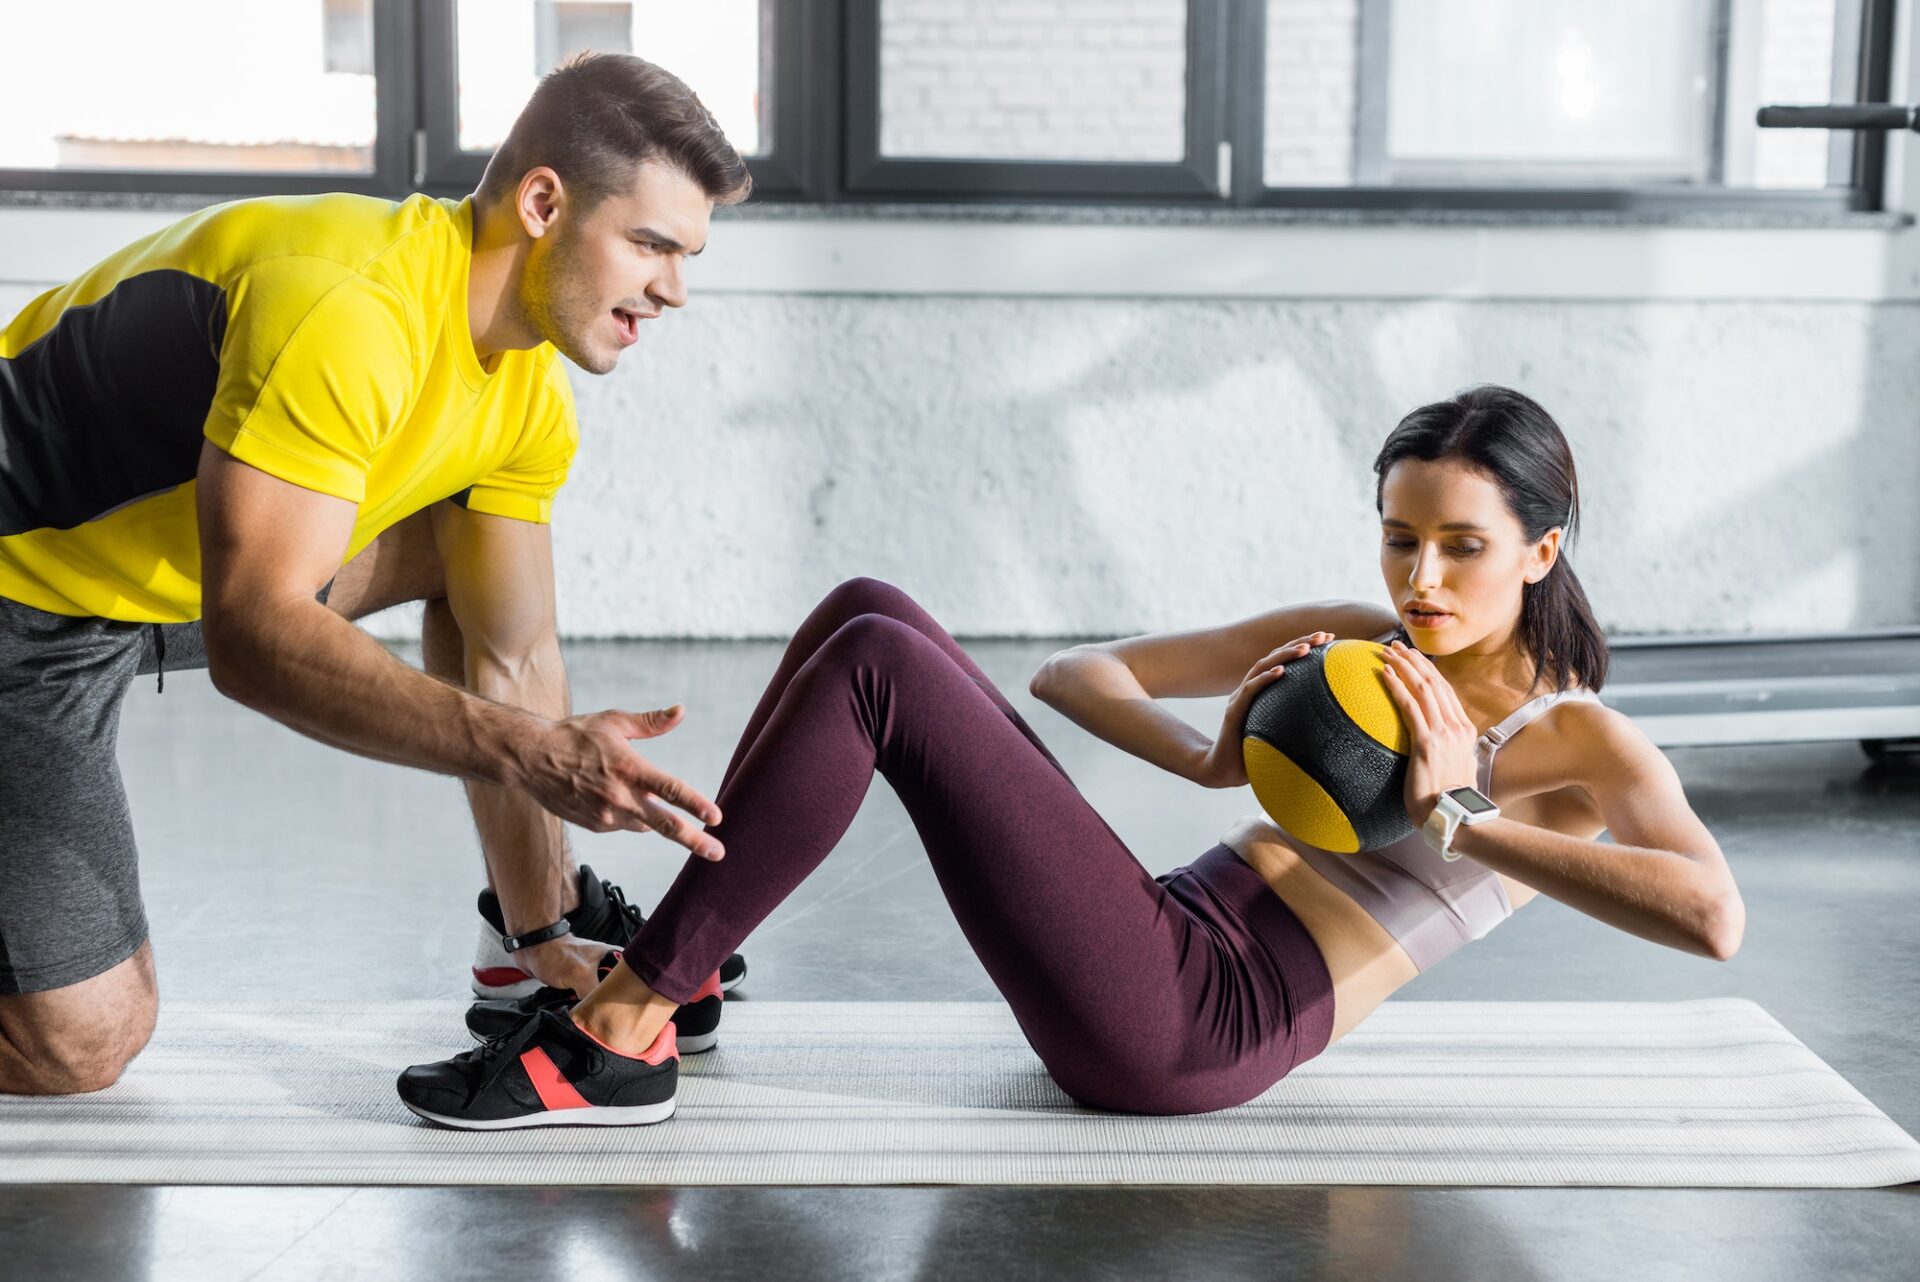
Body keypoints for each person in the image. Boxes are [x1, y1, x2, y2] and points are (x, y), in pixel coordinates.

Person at [395, 385, 1747, 1129]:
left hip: (1200, 1026)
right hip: (1170, 927)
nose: (1422, 576)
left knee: (881, 670)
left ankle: (621, 1024)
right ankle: (677, 987)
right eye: (1402, 536)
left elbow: (1713, 914)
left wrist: (1454, 816)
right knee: (871, 608)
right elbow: (1075, 672)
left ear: (1544, 550)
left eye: (1463, 546)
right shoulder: (1352, 644)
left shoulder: (1567, 733)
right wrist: (1213, 763)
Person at [0, 52, 750, 1096]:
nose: (672, 289)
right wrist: (534, 753)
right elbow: (255, 638)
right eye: (651, 244)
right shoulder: (349, 306)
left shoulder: (528, 393)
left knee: (462, 553)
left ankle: (520, 929)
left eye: (687, 255)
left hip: (160, 587)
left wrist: (542, 933)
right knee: (81, 1044)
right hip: (19, 598)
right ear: (543, 202)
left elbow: (512, 648)